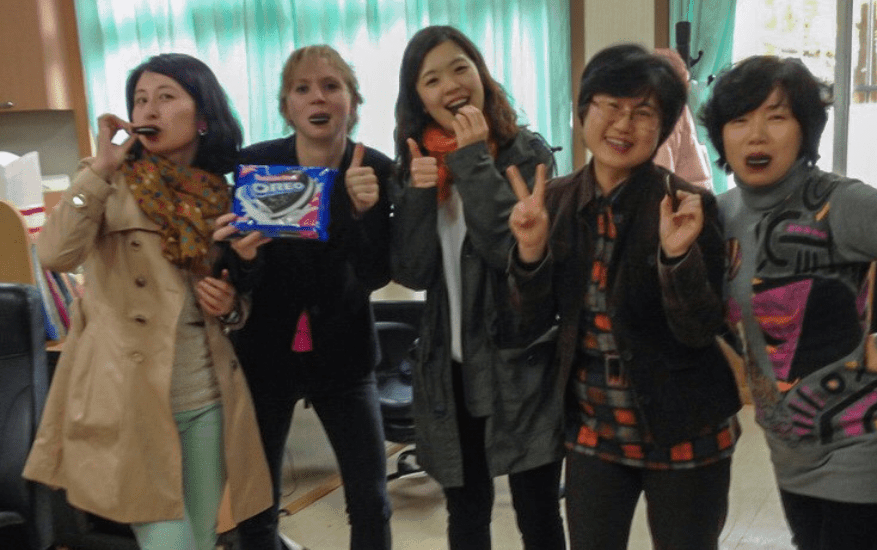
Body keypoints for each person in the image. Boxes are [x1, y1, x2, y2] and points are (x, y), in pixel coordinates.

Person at [697, 55, 877, 550]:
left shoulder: (839, 202)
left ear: (805, 128)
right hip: (787, 445)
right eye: (740, 119)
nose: (757, 135)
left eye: (777, 116)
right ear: (721, 134)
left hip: (860, 439)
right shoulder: (721, 215)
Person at [22, 52, 272, 550]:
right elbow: (53, 253)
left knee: (201, 540)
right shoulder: (106, 182)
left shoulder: (225, 197)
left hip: (205, 395)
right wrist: (99, 168)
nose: (149, 109)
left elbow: (238, 304)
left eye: (166, 97)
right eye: (140, 99)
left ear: (202, 118)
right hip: (128, 397)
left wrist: (231, 304)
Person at [505, 43, 742, 550]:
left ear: (663, 129)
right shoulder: (555, 202)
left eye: (644, 112)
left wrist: (678, 257)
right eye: (611, 105)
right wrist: (530, 253)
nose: (623, 124)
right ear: (584, 109)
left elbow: (700, 328)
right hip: (595, 428)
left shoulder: (687, 205)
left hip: (685, 425)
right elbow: (526, 324)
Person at [391, 25, 566, 550]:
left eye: (460, 67)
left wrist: (472, 159)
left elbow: (507, 252)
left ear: (482, 76)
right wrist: (419, 193)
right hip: (451, 371)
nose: (450, 84)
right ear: (417, 96)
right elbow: (414, 271)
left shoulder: (526, 152)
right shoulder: (420, 162)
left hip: (521, 367)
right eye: (431, 78)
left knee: (537, 514)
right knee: (467, 515)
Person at [214, 45, 393, 550]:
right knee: (256, 505)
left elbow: (378, 275)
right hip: (265, 353)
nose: (318, 96)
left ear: (352, 104)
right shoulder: (256, 165)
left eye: (332, 86)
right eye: (303, 88)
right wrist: (244, 260)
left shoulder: (375, 170)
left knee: (372, 502)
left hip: (345, 353)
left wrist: (361, 214)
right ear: (287, 106)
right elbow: (234, 274)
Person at [651, 48, 713, 188]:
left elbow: (660, 178)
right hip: (695, 193)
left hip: (678, 200)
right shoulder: (679, 107)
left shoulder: (661, 116)